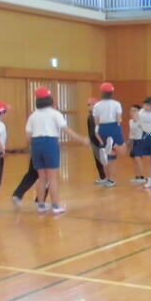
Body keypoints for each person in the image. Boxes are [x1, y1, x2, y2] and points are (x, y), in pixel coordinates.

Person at [25, 86, 89, 214]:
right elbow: (66, 130)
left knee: (41, 177)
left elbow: (28, 135)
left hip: (36, 143)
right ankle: (55, 206)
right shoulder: (55, 113)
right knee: (52, 177)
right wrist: (82, 139)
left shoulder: (33, 116)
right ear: (50, 99)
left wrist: (34, 146)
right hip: (50, 143)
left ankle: (41, 206)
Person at [92, 82, 126, 188]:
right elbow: (119, 119)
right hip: (114, 127)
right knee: (122, 150)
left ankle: (109, 179)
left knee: (108, 156)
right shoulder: (116, 104)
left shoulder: (97, 105)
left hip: (102, 128)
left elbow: (96, 121)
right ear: (112, 92)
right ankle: (113, 145)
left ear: (101, 92)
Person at [86, 97, 108, 185]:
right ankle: (103, 177)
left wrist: (98, 142)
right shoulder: (91, 116)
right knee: (98, 160)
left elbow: (96, 131)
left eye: (91, 104)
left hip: (97, 142)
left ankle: (105, 177)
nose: (89, 106)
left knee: (101, 160)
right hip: (95, 141)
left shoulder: (94, 116)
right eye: (88, 105)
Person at [128, 104, 146, 184]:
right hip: (134, 142)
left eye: (134, 111)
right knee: (134, 160)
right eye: (131, 110)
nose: (132, 112)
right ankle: (137, 176)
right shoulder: (130, 121)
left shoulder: (142, 121)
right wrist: (129, 143)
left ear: (139, 112)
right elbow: (131, 134)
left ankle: (142, 177)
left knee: (138, 159)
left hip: (141, 141)